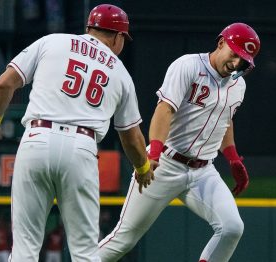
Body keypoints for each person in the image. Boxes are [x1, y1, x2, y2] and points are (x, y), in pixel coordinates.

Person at [0, 4, 154, 261]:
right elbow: (131, 137)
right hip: (81, 147)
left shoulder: (53, 42)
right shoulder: (120, 73)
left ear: (88, 28)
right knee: (84, 251)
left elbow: (5, 84)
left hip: (36, 139)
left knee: (24, 248)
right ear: (118, 37)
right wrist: (142, 168)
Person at [98, 23, 259, 262]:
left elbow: (224, 118)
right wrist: (152, 154)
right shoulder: (189, 65)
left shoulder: (239, 85)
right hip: (165, 163)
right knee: (123, 239)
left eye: (244, 60)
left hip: (203, 171)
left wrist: (233, 158)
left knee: (232, 227)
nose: (237, 64)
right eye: (234, 54)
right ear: (221, 43)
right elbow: (165, 110)